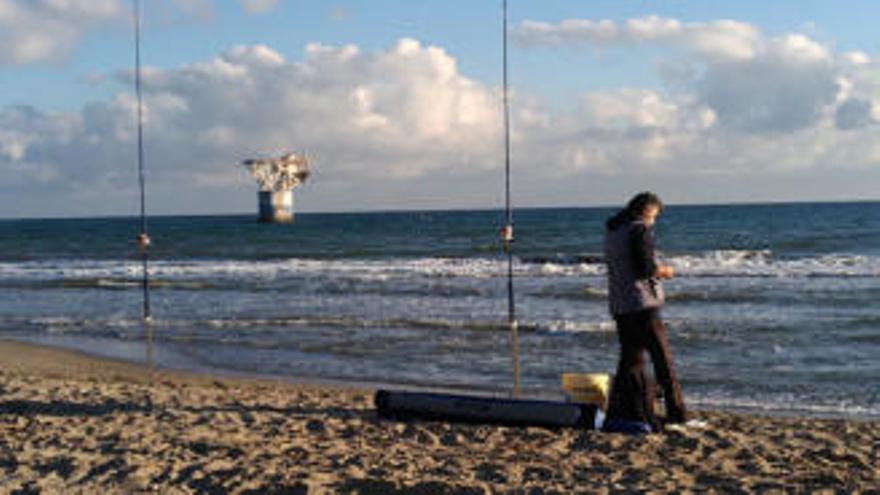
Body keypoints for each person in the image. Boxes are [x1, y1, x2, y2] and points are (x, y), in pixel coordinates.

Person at [603, 192, 687, 432]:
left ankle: (628, 411)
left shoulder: (614, 230)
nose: (654, 222)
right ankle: (677, 413)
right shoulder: (639, 229)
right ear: (647, 211)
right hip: (642, 304)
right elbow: (645, 268)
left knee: (631, 361)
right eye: (654, 216)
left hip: (620, 304)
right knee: (663, 360)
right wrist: (665, 271)